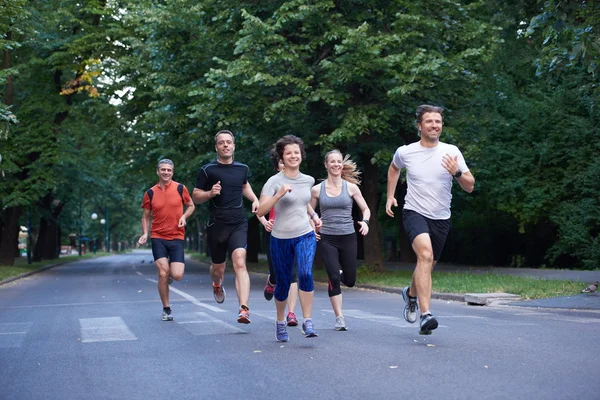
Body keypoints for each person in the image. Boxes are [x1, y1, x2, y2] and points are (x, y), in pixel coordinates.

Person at [386, 105, 475, 335]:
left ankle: (411, 295)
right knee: (425, 256)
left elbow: (470, 186)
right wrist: (390, 196)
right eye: (429, 121)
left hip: (441, 217)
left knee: (426, 264)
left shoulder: (451, 151)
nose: (435, 125)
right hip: (414, 211)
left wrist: (457, 172)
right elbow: (394, 168)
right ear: (419, 126)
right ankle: (426, 315)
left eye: (438, 121)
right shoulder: (406, 152)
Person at [257, 135, 322, 342]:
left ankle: (308, 321)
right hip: (280, 238)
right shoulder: (274, 182)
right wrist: (278, 196)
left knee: (304, 273)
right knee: (284, 283)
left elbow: (303, 203)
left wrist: (313, 216)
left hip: (304, 234)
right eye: (288, 153)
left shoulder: (309, 180)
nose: (293, 156)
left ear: (301, 155)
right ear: (282, 158)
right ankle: (279, 321)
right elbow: (260, 211)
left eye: (296, 152)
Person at [192, 130, 260, 324]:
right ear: (216, 147)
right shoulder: (208, 170)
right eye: (221, 143)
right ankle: (216, 283)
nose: (225, 145)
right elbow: (195, 196)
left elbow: (244, 185)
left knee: (240, 261)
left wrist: (255, 199)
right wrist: (210, 194)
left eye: (228, 142)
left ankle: (244, 309)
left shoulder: (242, 168)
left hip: (238, 222)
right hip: (217, 224)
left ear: (234, 146)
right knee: (218, 268)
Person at [310, 150, 370, 331]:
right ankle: (339, 318)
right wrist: (312, 227)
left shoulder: (351, 188)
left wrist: (365, 222)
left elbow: (366, 209)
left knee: (350, 280)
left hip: (348, 237)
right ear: (326, 165)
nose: (336, 165)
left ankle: (340, 272)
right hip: (327, 237)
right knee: (334, 277)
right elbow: (308, 212)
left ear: (341, 165)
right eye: (332, 162)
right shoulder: (316, 190)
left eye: (339, 162)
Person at [138, 159, 195, 321]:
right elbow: (145, 216)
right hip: (158, 237)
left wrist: (184, 216)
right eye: (163, 170)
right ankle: (166, 308)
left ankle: (169, 276)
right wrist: (144, 233)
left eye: (169, 170)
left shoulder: (180, 188)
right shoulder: (150, 193)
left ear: (172, 172)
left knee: (176, 275)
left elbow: (191, 205)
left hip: (177, 237)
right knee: (163, 273)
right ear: (158, 171)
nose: (166, 172)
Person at [259, 158, 300, 327]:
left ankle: (291, 314)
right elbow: (259, 210)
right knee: (279, 274)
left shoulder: (300, 184)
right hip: (275, 233)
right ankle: (272, 281)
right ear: (278, 166)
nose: (286, 165)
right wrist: (265, 222)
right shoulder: (272, 184)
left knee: (293, 274)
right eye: (282, 163)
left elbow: (305, 208)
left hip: (296, 233)